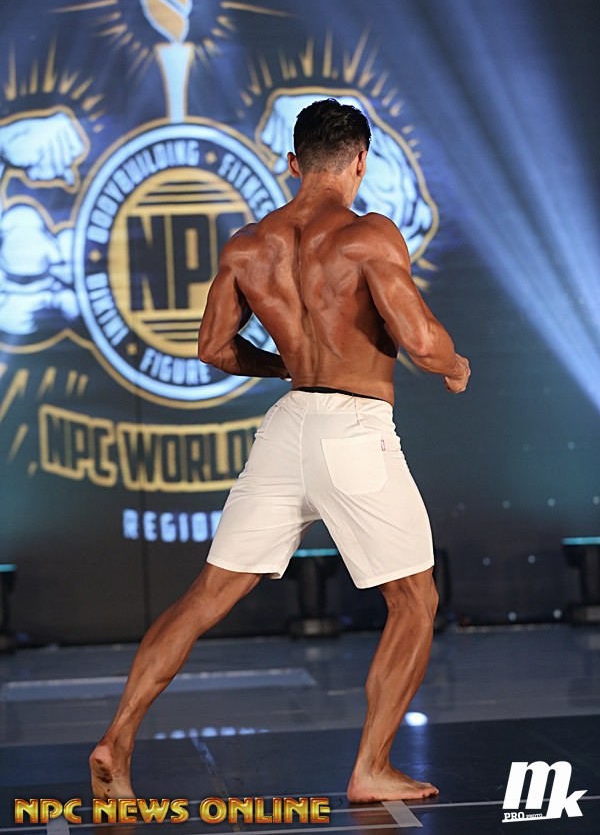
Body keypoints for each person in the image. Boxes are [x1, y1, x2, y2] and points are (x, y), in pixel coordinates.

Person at [90, 98, 470, 803]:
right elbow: (421, 342)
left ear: (293, 163)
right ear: (361, 162)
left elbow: (213, 348)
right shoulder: (368, 234)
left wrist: (291, 365)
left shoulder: (247, 246)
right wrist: (454, 366)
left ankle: (118, 736)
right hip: (353, 431)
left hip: (286, 428)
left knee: (204, 598)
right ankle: (371, 767)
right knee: (415, 600)